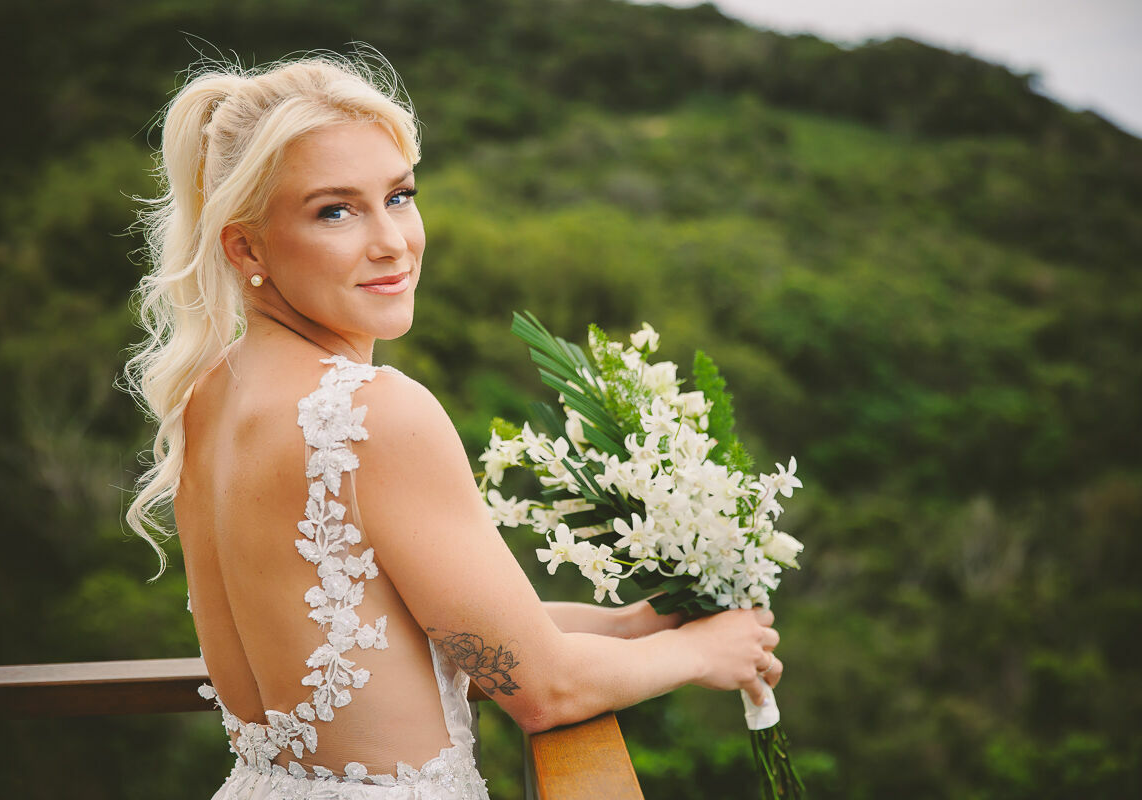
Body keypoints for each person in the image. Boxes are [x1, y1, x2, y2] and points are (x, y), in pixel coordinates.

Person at [123, 52, 784, 799]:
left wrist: (629, 626)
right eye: (334, 210)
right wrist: (706, 652)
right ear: (246, 246)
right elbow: (545, 691)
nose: (391, 243)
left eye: (399, 196)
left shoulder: (209, 393)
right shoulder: (374, 411)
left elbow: (410, 626)